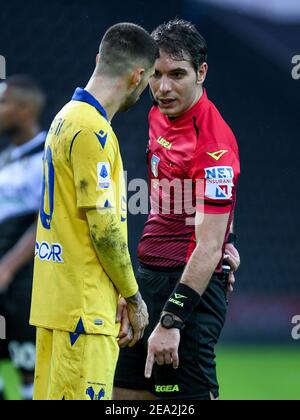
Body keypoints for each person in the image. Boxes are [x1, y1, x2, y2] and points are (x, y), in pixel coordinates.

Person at [29, 22, 159, 401]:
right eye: (149, 78)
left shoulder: (64, 117)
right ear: (138, 76)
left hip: (56, 307)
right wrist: (133, 297)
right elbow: (104, 229)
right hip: (83, 316)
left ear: (98, 59)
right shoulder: (93, 131)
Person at [114, 19, 240, 400]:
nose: (164, 88)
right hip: (149, 278)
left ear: (202, 72)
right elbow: (190, 204)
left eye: (178, 74)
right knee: (123, 394)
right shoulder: (158, 113)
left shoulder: (214, 144)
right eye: (156, 74)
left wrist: (171, 320)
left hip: (187, 294)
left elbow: (205, 247)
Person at [0, 76, 47, 400]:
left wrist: (7, 266)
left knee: (28, 370)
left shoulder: (48, 154)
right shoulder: (5, 158)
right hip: (3, 278)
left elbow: (45, 222)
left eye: (3, 103)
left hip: (25, 282)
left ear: (25, 109)